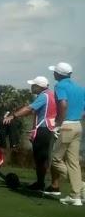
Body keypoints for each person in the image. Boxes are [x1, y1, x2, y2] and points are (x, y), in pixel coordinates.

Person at [42, 62, 85, 205]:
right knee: (73, 162)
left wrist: (58, 125)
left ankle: (80, 186)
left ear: (59, 74)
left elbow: (63, 104)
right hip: (78, 125)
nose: (53, 73)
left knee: (55, 159)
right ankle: (76, 197)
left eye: (55, 72)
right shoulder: (79, 88)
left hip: (66, 126)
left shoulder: (60, 86)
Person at [3, 76, 56, 191]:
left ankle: (40, 184)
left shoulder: (44, 96)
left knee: (40, 158)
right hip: (49, 128)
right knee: (44, 158)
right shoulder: (51, 94)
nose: (31, 87)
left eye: (33, 85)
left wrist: (13, 116)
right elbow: (32, 111)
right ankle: (42, 183)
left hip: (43, 129)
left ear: (38, 87)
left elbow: (29, 108)